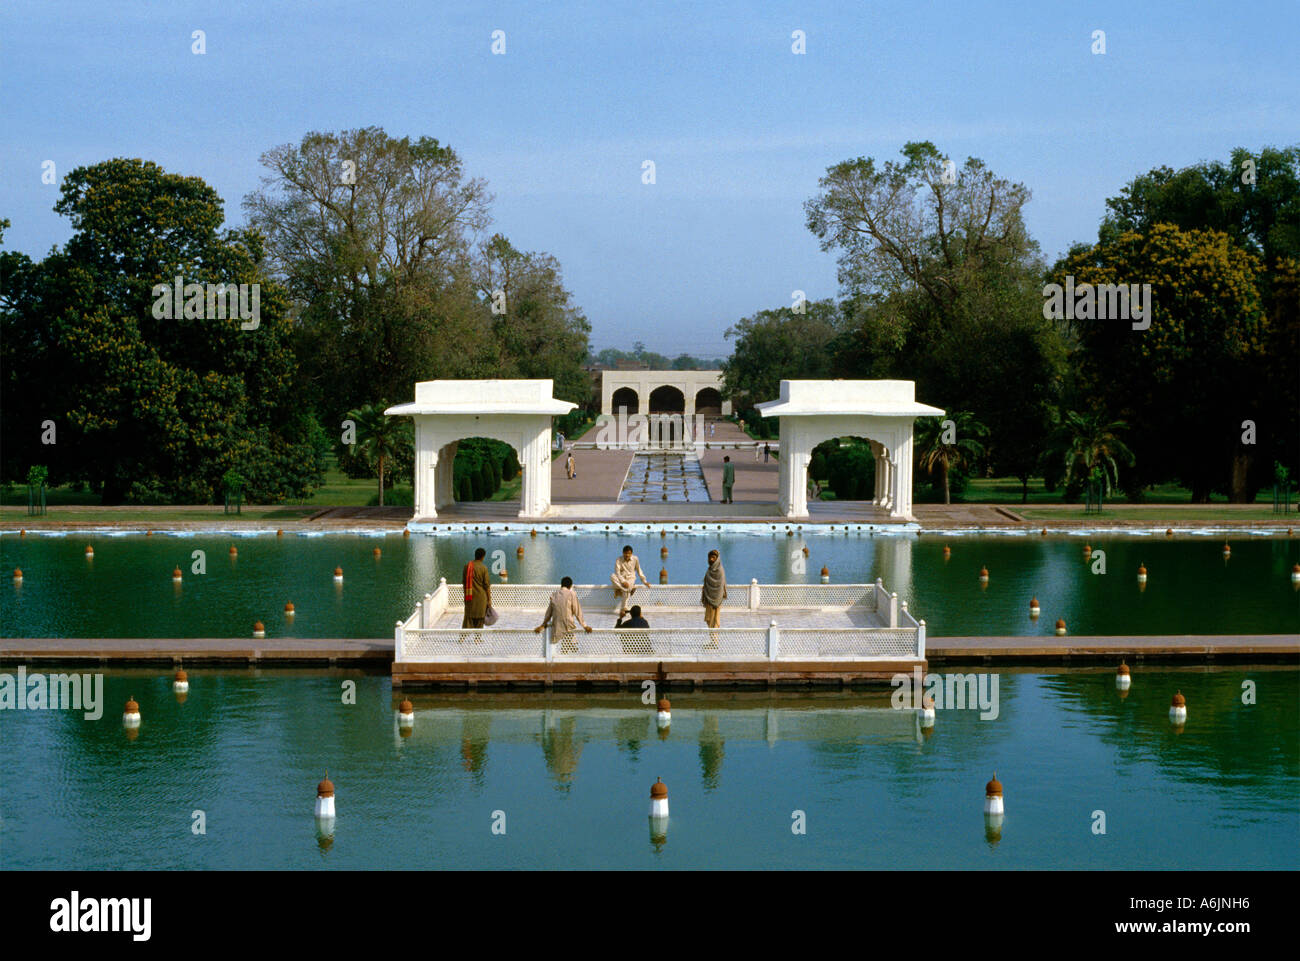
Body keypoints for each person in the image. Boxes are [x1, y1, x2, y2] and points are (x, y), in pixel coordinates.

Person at [534, 576, 592, 652]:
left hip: (557, 626)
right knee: (571, 646)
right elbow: (577, 611)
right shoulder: (571, 594)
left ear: (561, 585)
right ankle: (569, 651)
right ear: (570, 586)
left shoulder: (554, 595)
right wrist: (585, 626)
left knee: (567, 646)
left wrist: (542, 625)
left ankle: (567, 650)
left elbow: (549, 613)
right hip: (568, 626)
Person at [610, 544, 651, 619]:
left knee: (627, 588)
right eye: (625, 553)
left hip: (630, 578)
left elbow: (639, 570)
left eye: (629, 553)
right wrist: (622, 581)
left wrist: (644, 581)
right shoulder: (619, 559)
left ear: (631, 553)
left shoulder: (635, 559)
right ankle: (624, 590)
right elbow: (617, 573)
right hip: (621, 578)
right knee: (612, 576)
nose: (627, 555)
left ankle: (623, 607)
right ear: (623, 553)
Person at [462, 547, 491, 630]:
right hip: (481, 597)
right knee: (480, 617)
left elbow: (464, 582)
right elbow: (486, 585)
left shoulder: (467, 566)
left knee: (468, 617)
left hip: (469, 595)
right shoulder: (483, 568)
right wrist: (489, 599)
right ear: (483, 557)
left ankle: (463, 637)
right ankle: (477, 638)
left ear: (475, 555)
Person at [701, 549, 727, 629]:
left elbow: (721, 585)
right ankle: (712, 640)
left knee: (715, 621)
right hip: (708, 599)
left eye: (713, 557)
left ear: (717, 558)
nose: (711, 559)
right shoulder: (710, 569)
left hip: (717, 599)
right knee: (709, 621)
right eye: (710, 557)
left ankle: (714, 640)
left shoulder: (720, 571)